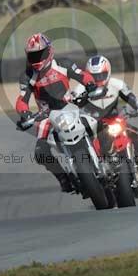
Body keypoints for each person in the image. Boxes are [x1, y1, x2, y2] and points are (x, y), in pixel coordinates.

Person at [15, 33, 97, 192]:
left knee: (99, 125)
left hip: (71, 106)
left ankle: (108, 159)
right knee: (40, 152)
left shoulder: (63, 63)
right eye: (33, 55)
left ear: (49, 50)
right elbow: (22, 100)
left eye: (40, 53)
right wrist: (24, 113)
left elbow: (82, 75)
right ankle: (63, 178)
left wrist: (90, 85)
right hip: (45, 116)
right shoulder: (27, 76)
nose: (37, 58)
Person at [73, 55, 138, 183]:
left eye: (101, 75)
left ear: (108, 72)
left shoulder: (117, 84)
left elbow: (131, 97)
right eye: (94, 76)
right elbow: (72, 105)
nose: (98, 79)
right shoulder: (80, 88)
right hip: (94, 126)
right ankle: (89, 175)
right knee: (81, 148)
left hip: (116, 121)